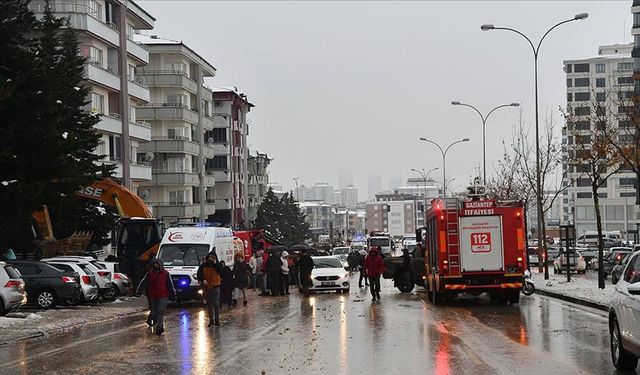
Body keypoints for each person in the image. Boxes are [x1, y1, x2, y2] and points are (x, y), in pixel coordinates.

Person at [136, 258, 176, 336]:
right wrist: (139, 291)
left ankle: (160, 327)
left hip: (163, 295)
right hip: (153, 295)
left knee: (160, 311)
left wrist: (173, 295)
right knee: (154, 310)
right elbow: (144, 282)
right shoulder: (149, 274)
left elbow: (170, 285)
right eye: (155, 264)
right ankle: (150, 320)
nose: (156, 265)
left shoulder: (166, 274)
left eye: (157, 264)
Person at [197, 252, 222, 327]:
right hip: (207, 287)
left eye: (213, 257)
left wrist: (216, 264)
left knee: (216, 303)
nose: (211, 259)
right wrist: (202, 279)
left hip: (216, 286)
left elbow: (221, 272)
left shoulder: (217, 265)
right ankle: (211, 320)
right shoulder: (203, 265)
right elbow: (199, 274)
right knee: (209, 304)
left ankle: (217, 320)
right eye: (210, 257)